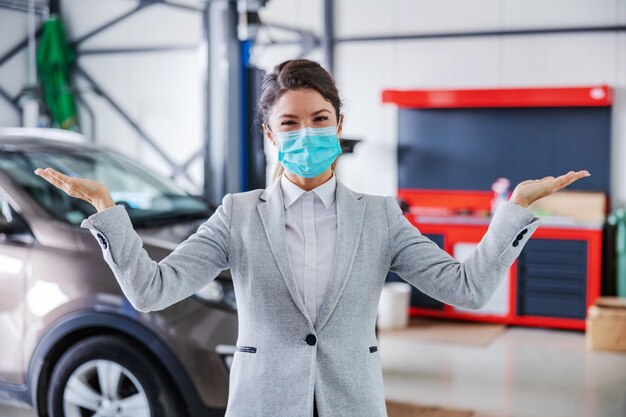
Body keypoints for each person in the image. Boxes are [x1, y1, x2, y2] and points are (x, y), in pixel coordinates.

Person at [34, 59, 590, 417]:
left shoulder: (379, 217)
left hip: (353, 405)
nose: (307, 133)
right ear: (270, 133)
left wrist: (513, 210)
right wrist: (108, 210)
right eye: (292, 123)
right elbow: (154, 291)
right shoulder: (239, 214)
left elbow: (466, 288)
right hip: (262, 405)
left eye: (320, 119)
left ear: (339, 124)